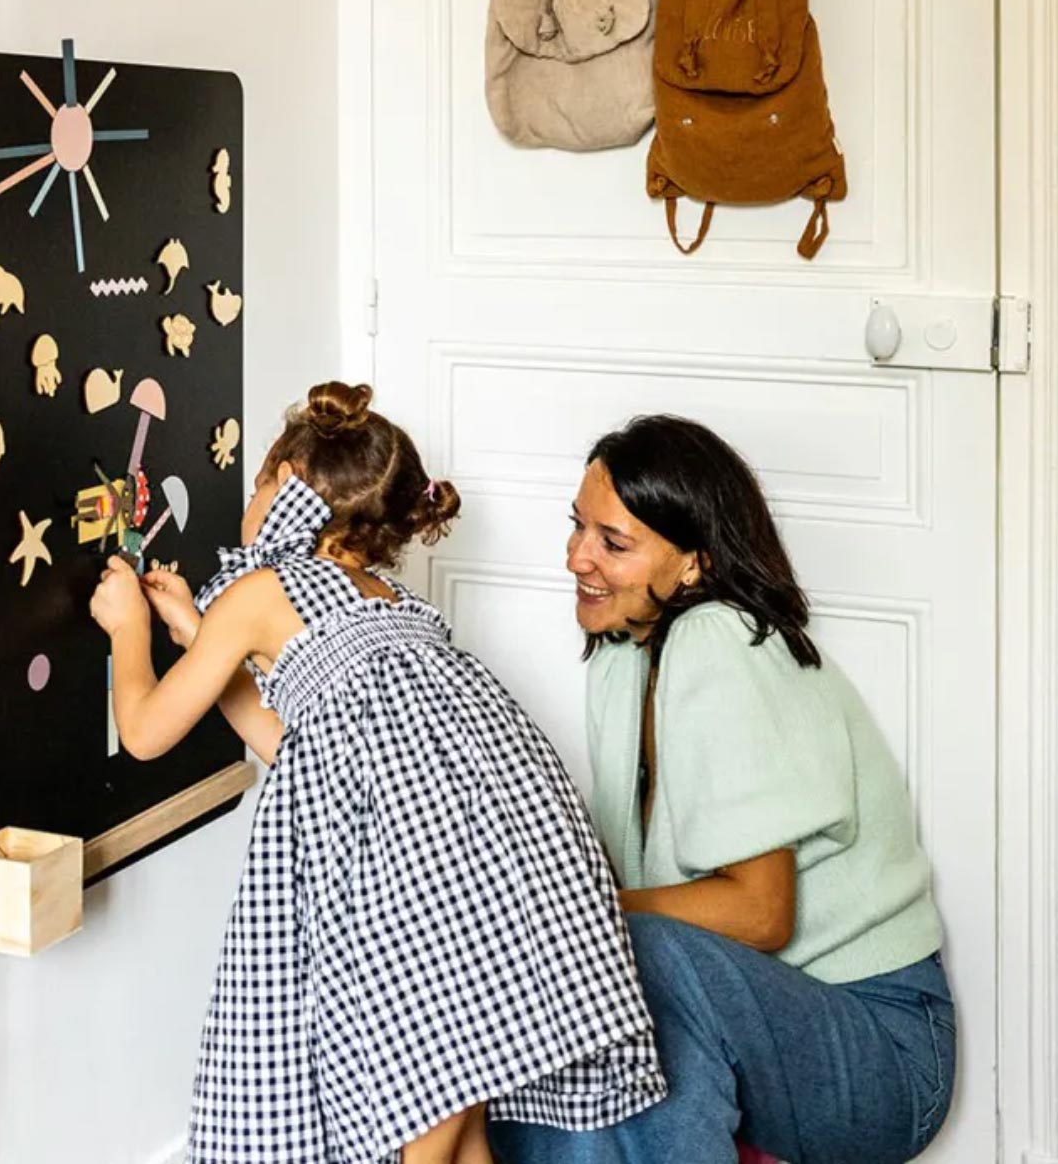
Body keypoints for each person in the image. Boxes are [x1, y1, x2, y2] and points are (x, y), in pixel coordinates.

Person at [89, 383, 667, 1164]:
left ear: (288, 484)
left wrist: (129, 629)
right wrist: (201, 635)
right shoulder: (389, 601)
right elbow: (297, 746)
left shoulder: (264, 591)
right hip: (503, 865)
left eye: (260, 482)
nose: (250, 499)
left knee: (421, 1142)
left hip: (413, 893)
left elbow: (146, 730)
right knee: (459, 1132)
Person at [489, 416, 957, 1164]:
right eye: (578, 527)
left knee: (626, 953)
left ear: (693, 565)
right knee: (542, 982)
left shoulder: (720, 642)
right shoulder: (623, 656)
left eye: (614, 543)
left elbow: (760, 912)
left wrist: (563, 911)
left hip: (884, 1044)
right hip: (760, 1021)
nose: (576, 556)